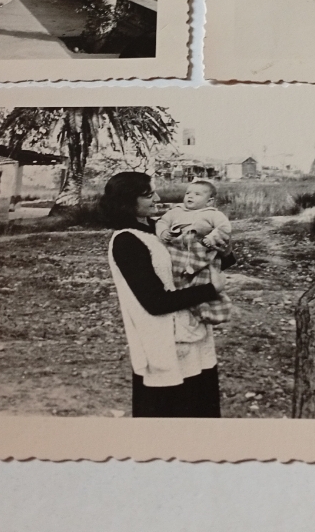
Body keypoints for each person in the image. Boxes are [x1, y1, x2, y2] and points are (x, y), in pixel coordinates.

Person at [100, 172, 224, 418]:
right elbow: (155, 303)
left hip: (192, 340)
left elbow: (192, 262)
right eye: (148, 195)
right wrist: (211, 290)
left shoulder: (158, 229)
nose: (157, 198)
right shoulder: (127, 241)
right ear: (127, 201)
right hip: (163, 345)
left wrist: (221, 249)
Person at [156, 180, 234, 341]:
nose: (190, 196)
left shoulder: (213, 213)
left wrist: (212, 238)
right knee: (177, 281)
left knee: (201, 281)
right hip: (178, 250)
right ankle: (184, 309)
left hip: (201, 250)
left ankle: (206, 309)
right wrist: (163, 231)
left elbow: (224, 228)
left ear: (209, 200)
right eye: (188, 193)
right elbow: (162, 221)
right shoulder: (176, 211)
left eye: (197, 194)